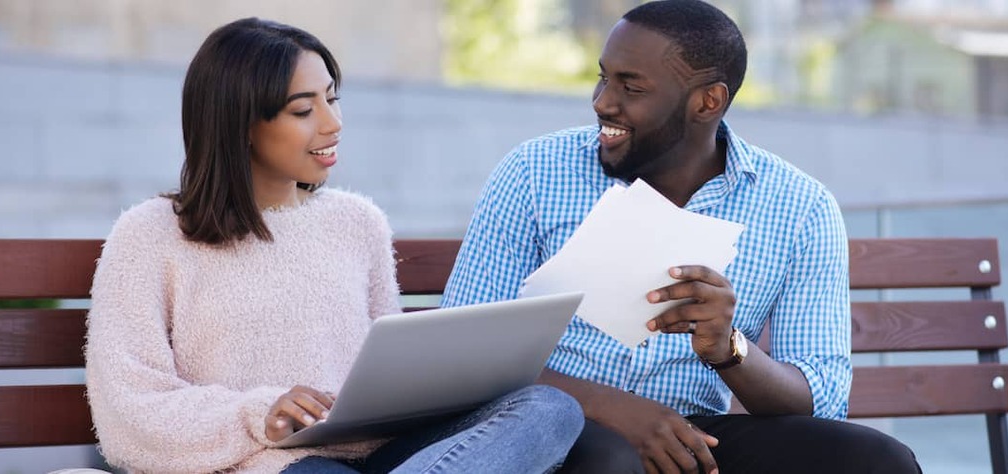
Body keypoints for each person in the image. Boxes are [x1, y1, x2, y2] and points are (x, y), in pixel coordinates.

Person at [85, 17, 583, 474]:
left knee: (549, 409)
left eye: (332, 98)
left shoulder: (357, 222)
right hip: (263, 463)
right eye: (304, 109)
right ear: (240, 124)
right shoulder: (151, 235)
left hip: (380, 451)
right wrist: (260, 413)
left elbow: (385, 370)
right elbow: (130, 413)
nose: (332, 123)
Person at [442, 2, 922, 473]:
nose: (603, 101)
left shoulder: (800, 208)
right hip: (545, 423)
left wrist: (728, 349)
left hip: (691, 434)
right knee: (611, 457)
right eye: (604, 77)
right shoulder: (535, 170)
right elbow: (462, 353)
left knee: (878, 461)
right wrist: (611, 409)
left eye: (631, 87)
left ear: (707, 101)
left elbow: (819, 401)